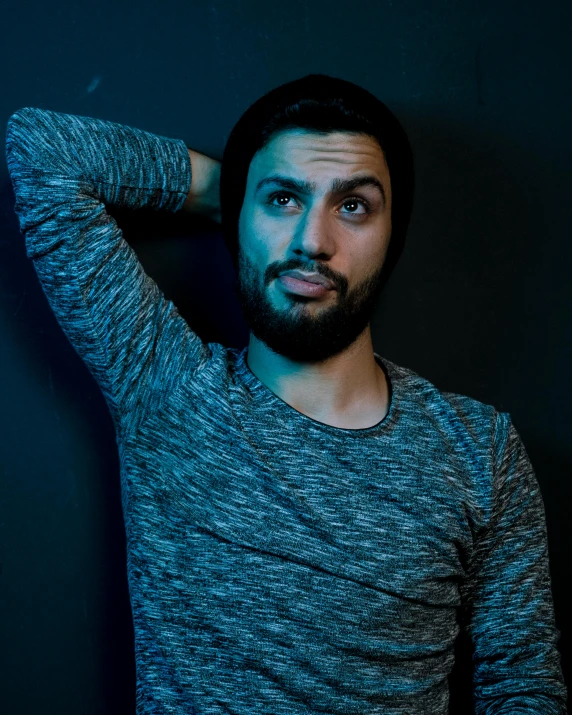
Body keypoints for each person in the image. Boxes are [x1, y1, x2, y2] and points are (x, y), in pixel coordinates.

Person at [5, 74, 567, 714]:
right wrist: (236, 189)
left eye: (352, 206)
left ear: (393, 236)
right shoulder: (164, 387)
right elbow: (43, 148)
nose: (312, 242)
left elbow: (525, 691)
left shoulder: (481, 453)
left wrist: (263, 196)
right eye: (282, 200)